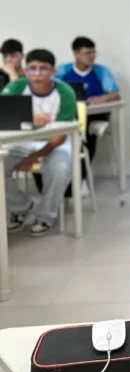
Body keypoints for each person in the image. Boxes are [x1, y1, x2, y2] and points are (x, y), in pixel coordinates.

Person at [0, 49, 77, 236]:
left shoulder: (65, 92)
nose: (37, 74)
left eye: (43, 69)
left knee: (60, 168)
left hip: (55, 142)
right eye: (32, 68)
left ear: (53, 71)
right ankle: (21, 208)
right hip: (21, 141)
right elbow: (5, 120)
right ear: (26, 71)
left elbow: (60, 137)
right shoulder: (16, 87)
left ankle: (45, 215)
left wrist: (33, 157)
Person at [55, 37, 120, 105]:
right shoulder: (63, 70)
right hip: (71, 113)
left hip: (98, 113)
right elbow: (49, 89)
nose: (92, 56)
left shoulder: (102, 71)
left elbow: (115, 95)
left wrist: (102, 99)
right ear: (76, 54)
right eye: (88, 53)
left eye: (93, 52)